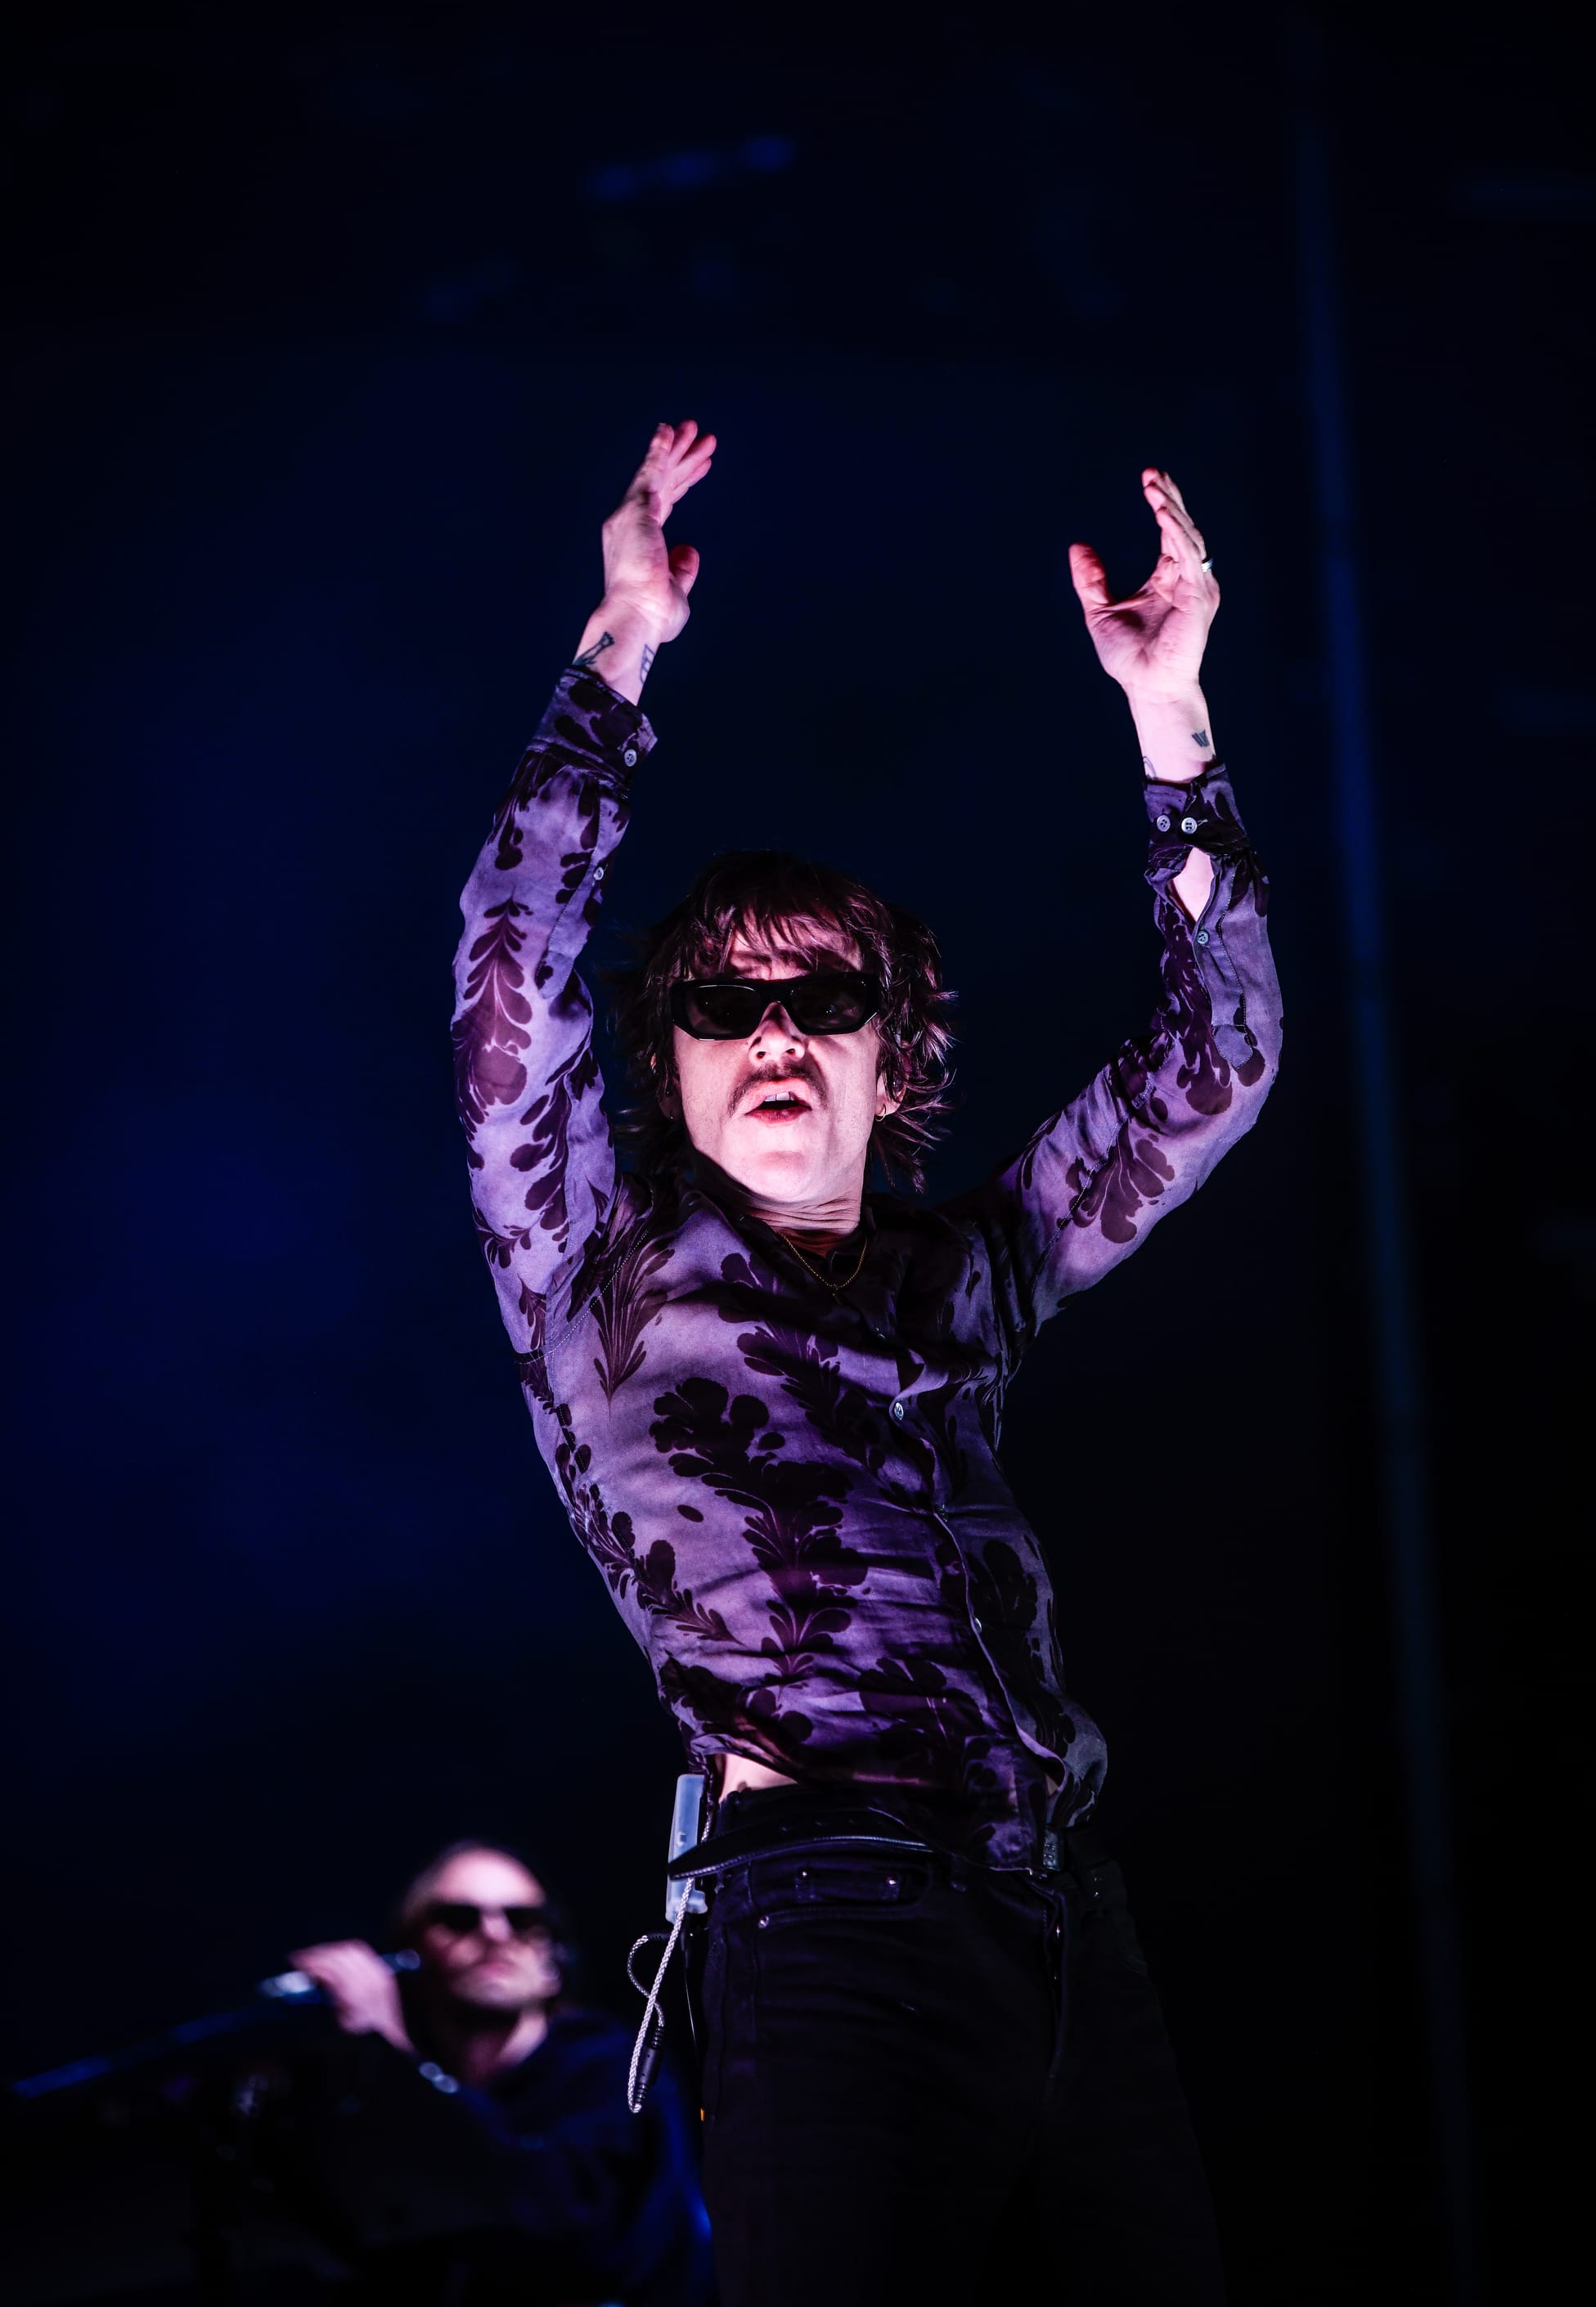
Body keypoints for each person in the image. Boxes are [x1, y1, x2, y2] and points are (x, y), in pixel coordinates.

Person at [452, 422, 1280, 2305]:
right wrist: (617, 646)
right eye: (720, 1000)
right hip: (825, 1923)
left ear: (887, 1048)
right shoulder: (596, 1263)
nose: (771, 1029)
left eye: (819, 994)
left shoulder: (963, 1271)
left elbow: (1214, 1063)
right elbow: (509, 957)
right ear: (663, 1061)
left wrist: (1170, 720)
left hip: (1063, 1919)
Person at [272, 1838, 713, 2304]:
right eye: (459, 1919)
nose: (495, 1934)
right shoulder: (398, 2088)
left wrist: (392, 2050)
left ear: (553, 1962)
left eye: (522, 1920)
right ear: (411, 1955)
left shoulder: (610, 2065)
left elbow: (552, 2220)